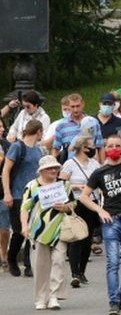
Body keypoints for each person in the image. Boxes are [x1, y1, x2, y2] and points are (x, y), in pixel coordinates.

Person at [79, 135, 121, 315]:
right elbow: (84, 196)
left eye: (118, 145)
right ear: (105, 149)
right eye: (111, 146)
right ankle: (114, 301)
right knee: (113, 262)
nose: (114, 148)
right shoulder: (99, 172)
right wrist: (100, 210)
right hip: (111, 221)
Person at [19, 155, 75, 310]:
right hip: (38, 231)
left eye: (56, 167)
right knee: (40, 266)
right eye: (50, 168)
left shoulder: (64, 184)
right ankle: (40, 298)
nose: (54, 170)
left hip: (60, 229)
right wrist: (25, 226)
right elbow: (25, 208)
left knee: (58, 262)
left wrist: (65, 207)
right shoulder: (32, 186)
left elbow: (73, 203)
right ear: (41, 170)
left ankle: (53, 296)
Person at [4, 119, 46, 277]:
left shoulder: (38, 151)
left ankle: (29, 264)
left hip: (34, 195)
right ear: (39, 131)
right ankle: (12, 258)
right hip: (17, 194)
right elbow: (7, 170)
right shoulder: (17, 147)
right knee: (19, 231)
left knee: (32, 230)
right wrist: (7, 192)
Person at [59, 134, 101, 287]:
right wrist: (76, 187)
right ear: (83, 148)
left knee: (87, 237)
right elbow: (62, 184)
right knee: (76, 236)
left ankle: (82, 271)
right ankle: (75, 272)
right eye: (91, 145)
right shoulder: (70, 164)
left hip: (91, 202)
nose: (94, 148)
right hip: (76, 203)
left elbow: (100, 182)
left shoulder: (95, 164)